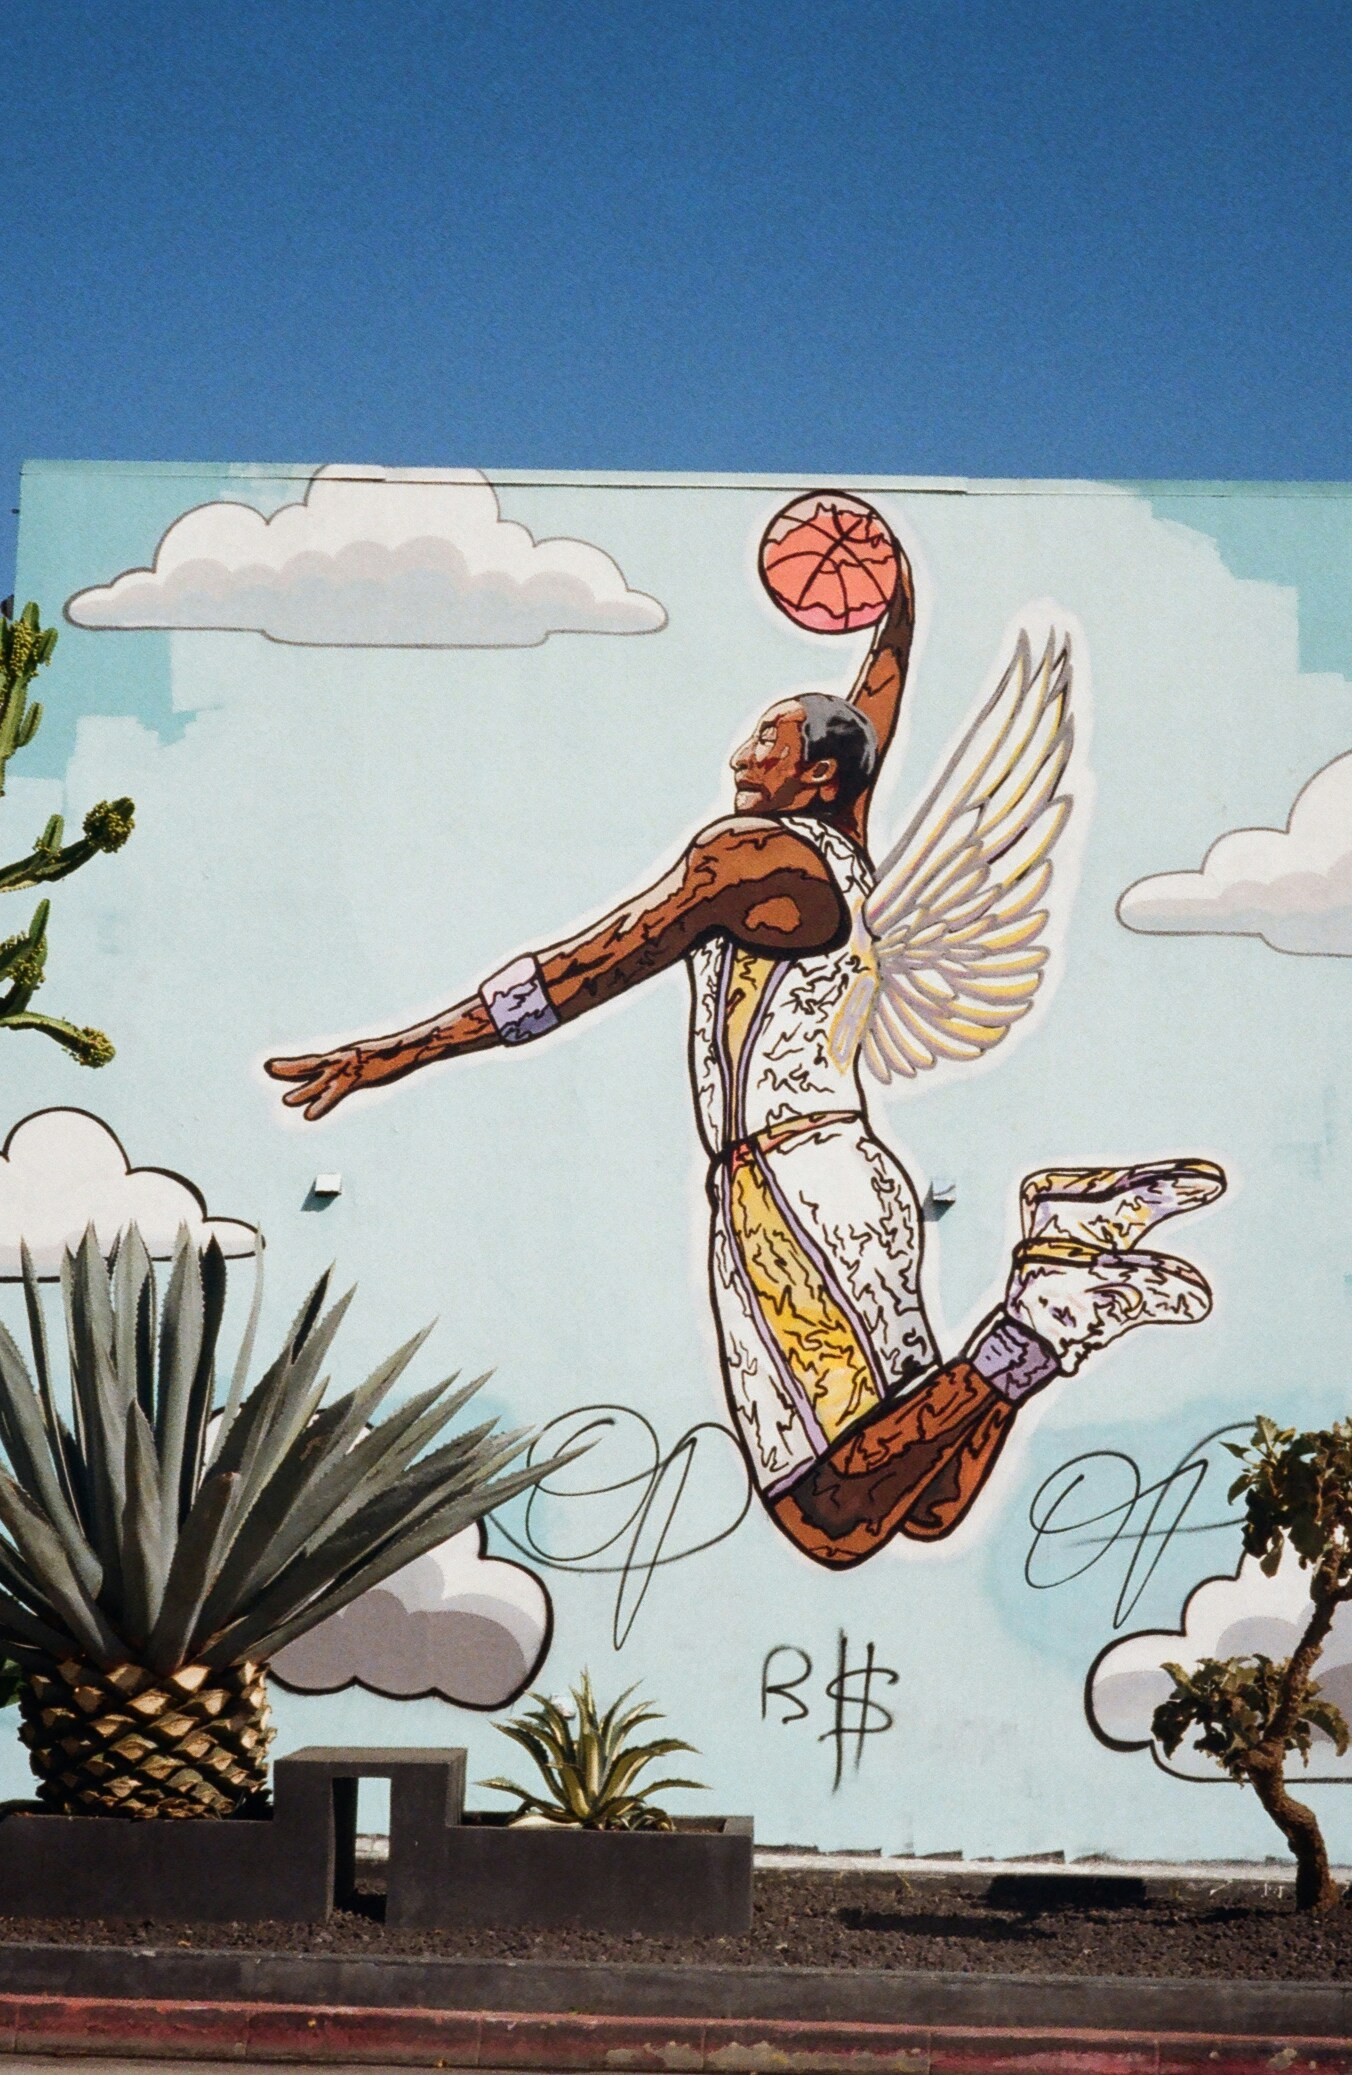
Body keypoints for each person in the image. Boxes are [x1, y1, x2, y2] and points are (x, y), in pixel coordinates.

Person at [265, 529, 1220, 1568]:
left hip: (779, 1187)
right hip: (856, 1177)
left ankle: (1052, 1301)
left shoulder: (745, 856)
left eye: (763, 741)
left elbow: (583, 968)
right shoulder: (843, 846)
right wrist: (896, 602)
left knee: (827, 1514)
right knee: (927, 1498)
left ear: (811, 774)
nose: (736, 758)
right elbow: (873, 714)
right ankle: (1048, 1273)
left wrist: (395, 1052)